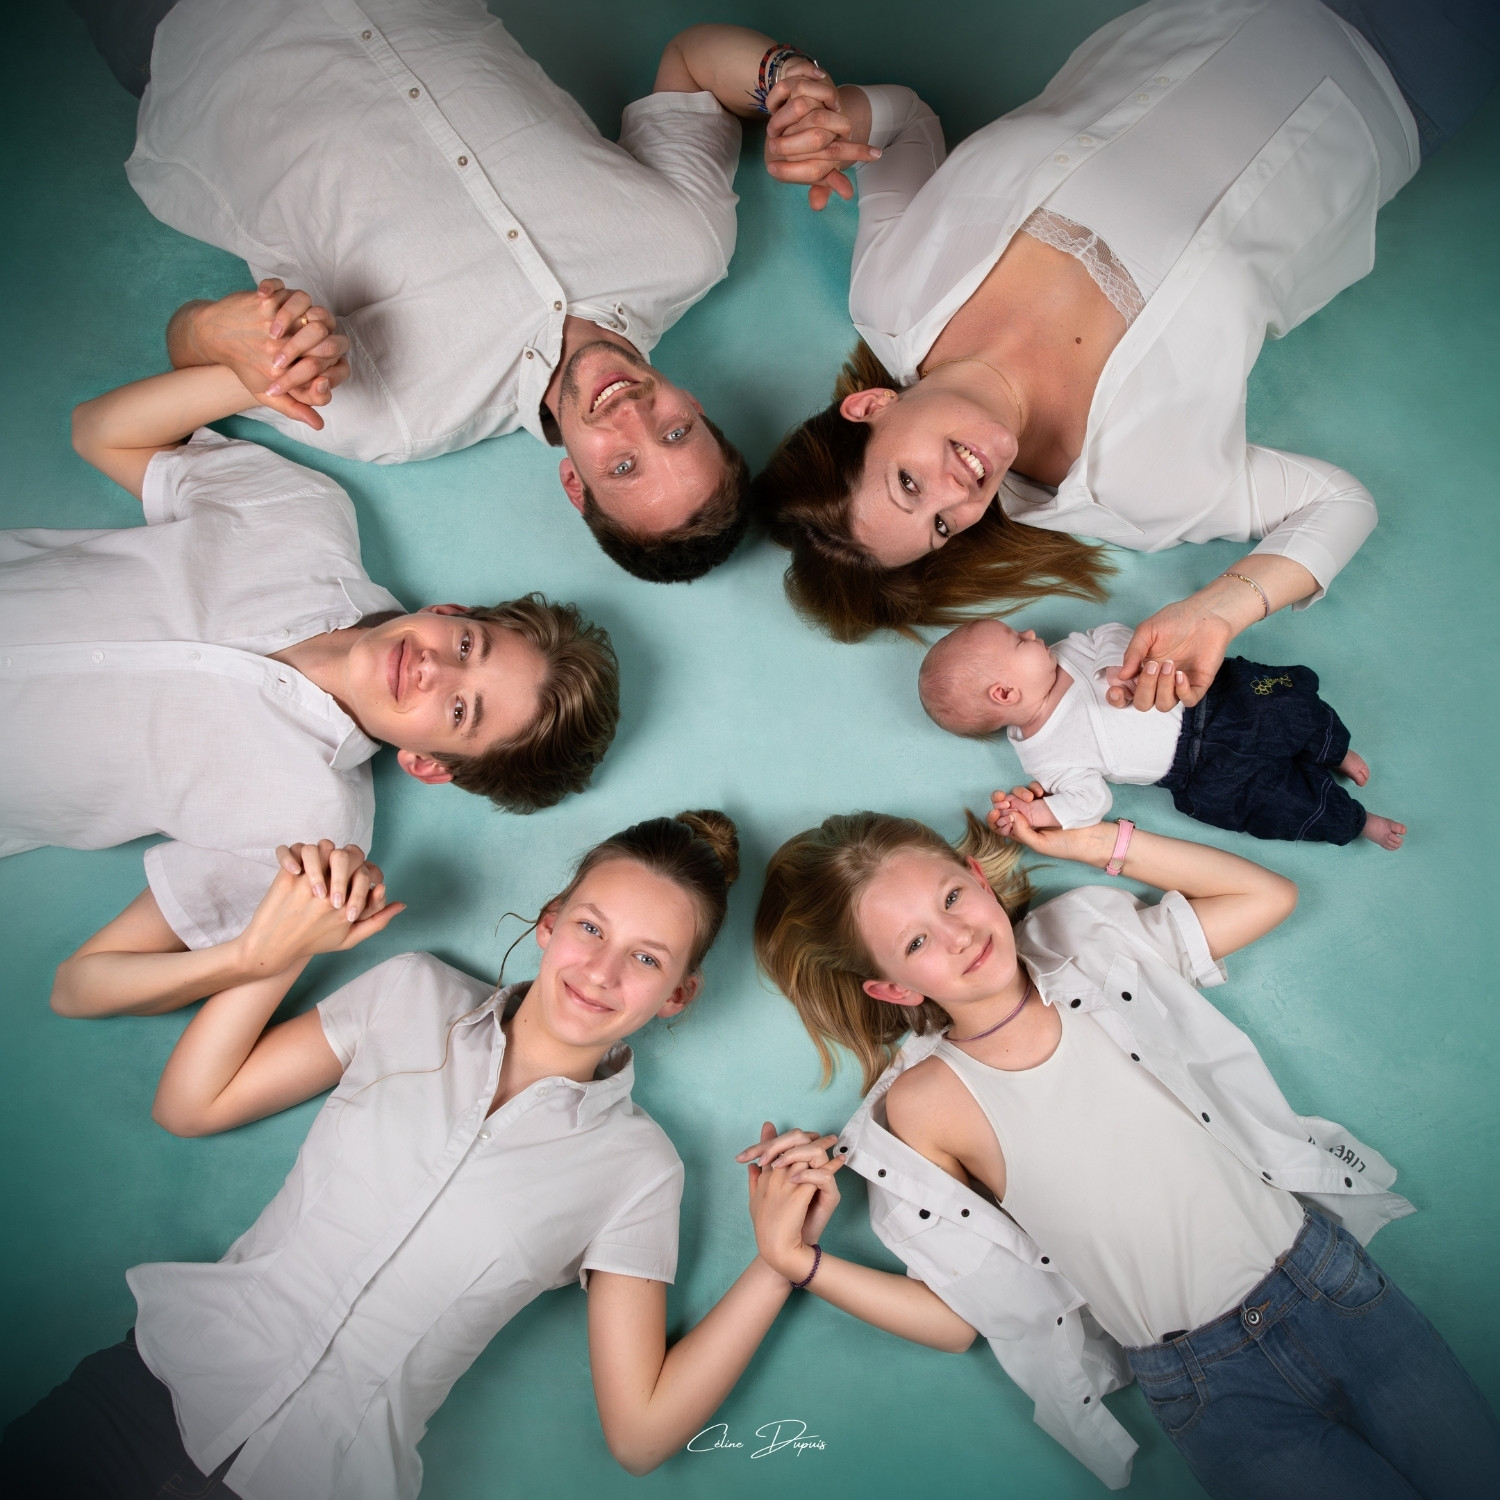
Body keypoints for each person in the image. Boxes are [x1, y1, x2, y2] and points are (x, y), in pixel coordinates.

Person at [0, 812, 844, 1500]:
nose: (601, 970)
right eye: (591, 927)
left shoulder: (640, 1169)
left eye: (647, 959)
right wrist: (284, 946)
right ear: (550, 924)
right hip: (135, 1401)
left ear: (678, 996)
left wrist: (777, 1266)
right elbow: (192, 1104)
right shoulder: (410, 993)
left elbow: (642, 1434)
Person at [746, 807, 1500, 1494]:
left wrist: (1094, 843)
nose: (957, 935)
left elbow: (1265, 898)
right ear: (894, 990)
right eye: (916, 942)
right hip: (1208, 1386)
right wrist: (798, 1263)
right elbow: (960, 1319)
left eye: (950, 898)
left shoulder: (1091, 948)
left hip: (1329, 1291)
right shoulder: (919, 1110)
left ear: (978, 877)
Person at [752, 0, 1500, 657]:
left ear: (870, 408)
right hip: (1398, 70)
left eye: (909, 483)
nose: (959, 495)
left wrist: (843, 114)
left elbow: (905, 122)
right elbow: (1340, 504)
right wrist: (1219, 610)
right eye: (944, 526)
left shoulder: (890, 294)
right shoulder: (1136, 490)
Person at [74, 1, 872, 583]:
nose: (632, 416)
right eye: (673, 436)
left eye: (622, 466)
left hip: (188, 31)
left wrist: (220, 332)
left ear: (575, 483)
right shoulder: (689, 246)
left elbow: (192, 353)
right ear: (696, 404)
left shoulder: (401, 413)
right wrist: (787, 82)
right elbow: (695, 60)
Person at [3, 346, 619, 1019]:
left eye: (461, 710)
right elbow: (98, 430)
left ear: (427, 765)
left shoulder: (314, 837)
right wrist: (247, 373)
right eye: (468, 646)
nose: (432, 669)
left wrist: (249, 961)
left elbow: (80, 987)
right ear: (450, 611)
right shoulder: (303, 516)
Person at [920, 618, 1405, 849]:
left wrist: (1118, 666)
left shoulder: (1071, 652)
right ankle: (1354, 821)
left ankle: (1332, 747)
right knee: (1275, 805)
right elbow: (1090, 801)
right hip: (1200, 774)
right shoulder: (1043, 757)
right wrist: (1040, 810)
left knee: (1285, 704)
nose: (1029, 634)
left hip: (1213, 699)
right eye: (1016, 641)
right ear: (1004, 694)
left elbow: (1109, 631)